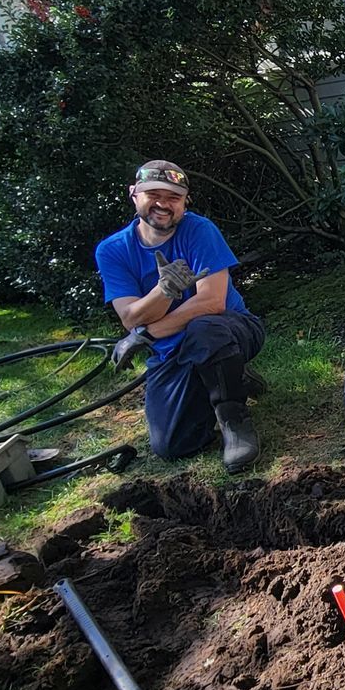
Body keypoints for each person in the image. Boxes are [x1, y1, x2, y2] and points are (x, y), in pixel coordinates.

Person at [95, 160, 266, 470]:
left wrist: (146, 333)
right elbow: (130, 317)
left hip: (231, 330)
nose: (163, 204)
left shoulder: (200, 230)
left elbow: (212, 302)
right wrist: (164, 291)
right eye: (153, 194)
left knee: (205, 329)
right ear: (134, 194)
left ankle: (234, 421)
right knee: (172, 445)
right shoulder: (112, 250)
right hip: (172, 352)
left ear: (185, 201)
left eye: (173, 197)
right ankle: (230, 376)